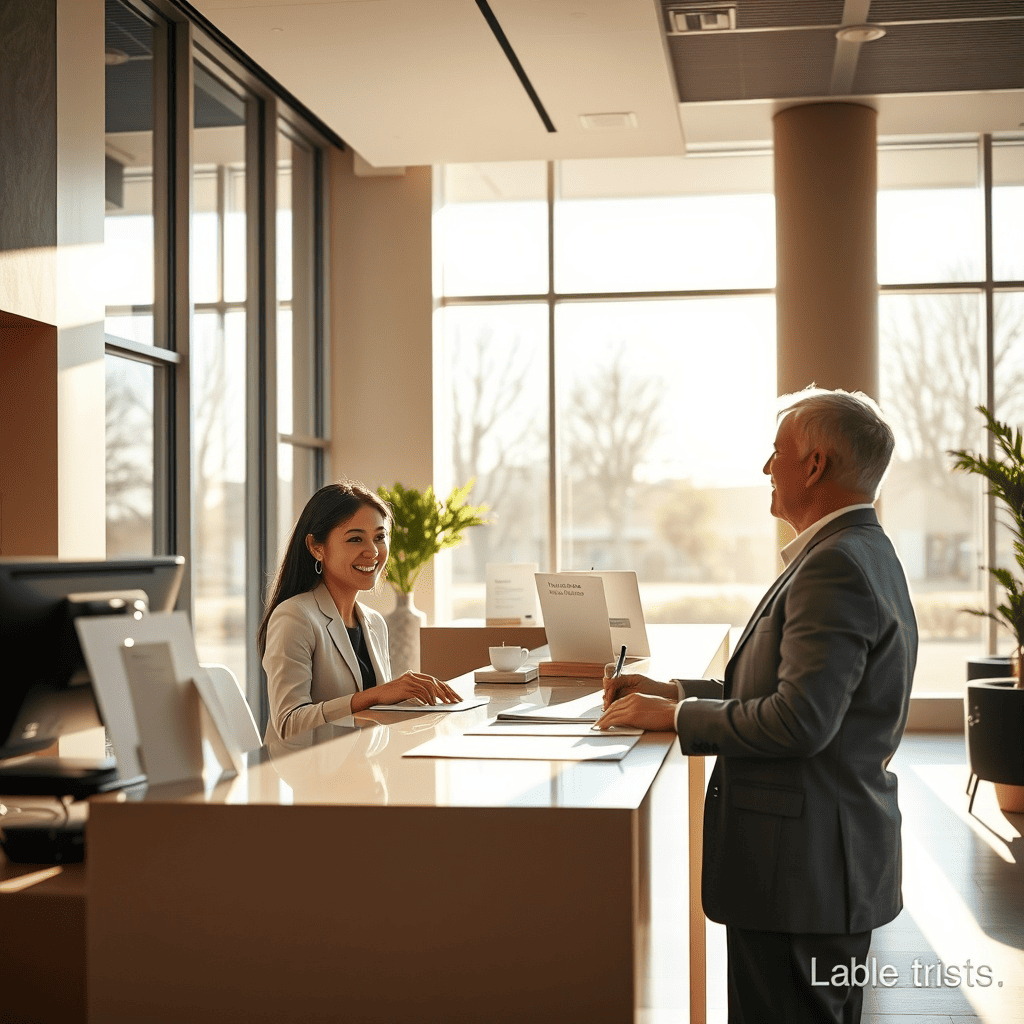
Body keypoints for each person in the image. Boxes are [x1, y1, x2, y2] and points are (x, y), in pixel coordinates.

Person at [596, 388, 918, 1024]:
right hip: (818, 872)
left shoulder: (836, 567)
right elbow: (798, 696)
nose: (766, 468)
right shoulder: (855, 552)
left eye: (777, 453)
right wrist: (678, 693)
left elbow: (800, 722)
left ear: (815, 465)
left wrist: (674, 719)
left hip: (800, 877)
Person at [258, 481, 461, 743]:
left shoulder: (374, 622)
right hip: (313, 775)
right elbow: (289, 724)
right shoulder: (295, 617)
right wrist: (375, 695)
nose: (373, 551)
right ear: (316, 547)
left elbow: (375, 718)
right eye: (355, 539)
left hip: (367, 770)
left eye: (379, 537)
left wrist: (417, 707)